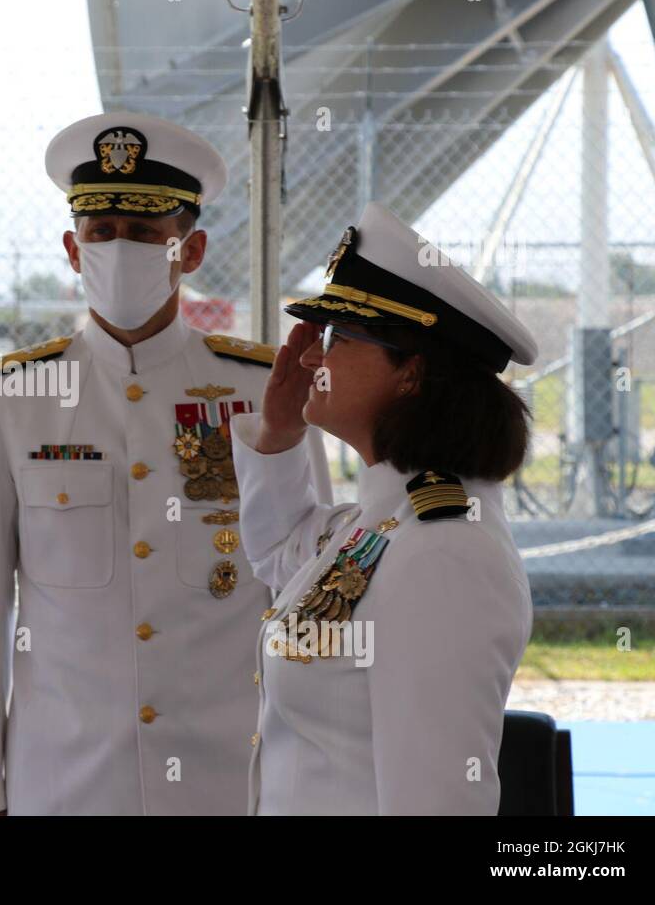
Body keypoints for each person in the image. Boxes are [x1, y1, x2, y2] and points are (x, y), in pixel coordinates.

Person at [0, 111, 332, 815]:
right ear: (72, 246)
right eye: (102, 233)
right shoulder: (10, 398)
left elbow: (306, 590)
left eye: (147, 234)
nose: (120, 248)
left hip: (230, 778)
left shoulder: (262, 391)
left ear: (190, 250)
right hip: (65, 780)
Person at [230, 201, 538, 814]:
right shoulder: (380, 523)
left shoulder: (443, 550)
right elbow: (278, 552)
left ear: (411, 375)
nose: (312, 357)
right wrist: (279, 435)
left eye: (340, 338)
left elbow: (437, 800)